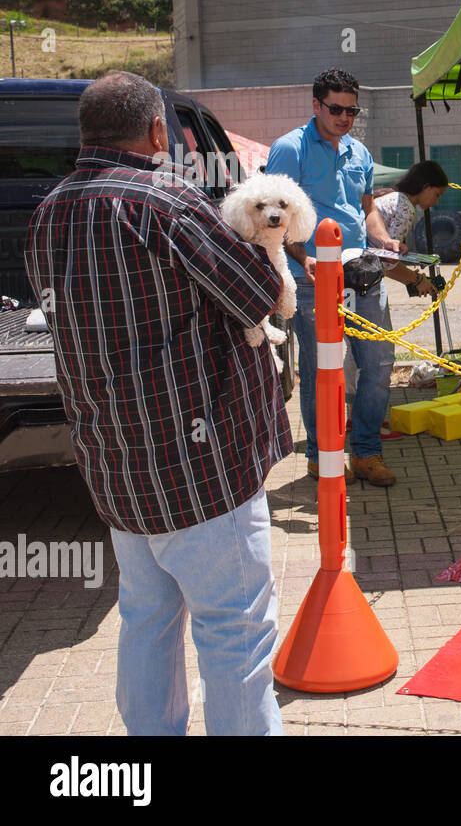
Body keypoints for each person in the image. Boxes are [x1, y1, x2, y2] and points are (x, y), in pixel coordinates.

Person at [24, 71, 289, 735]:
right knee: (236, 634)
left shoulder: (48, 212)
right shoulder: (166, 201)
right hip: (201, 475)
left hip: (116, 472)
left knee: (146, 621)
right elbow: (258, 293)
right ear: (155, 132)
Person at [266, 67, 395, 487]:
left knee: (377, 364)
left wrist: (386, 241)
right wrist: (302, 257)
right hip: (311, 277)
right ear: (316, 105)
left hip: (362, 273)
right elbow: (276, 216)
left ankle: (366, 453)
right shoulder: (289, 149)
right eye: (336, 109)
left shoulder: (360, 152)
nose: (344, 117)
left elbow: (367, 208)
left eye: (351, 110)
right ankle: (323, 456)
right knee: (323, 369)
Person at [367, 159, 450, 298]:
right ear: (426, 186)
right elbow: (387, 261)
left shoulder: (391, 196)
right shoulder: (405, 208)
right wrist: (418, 280)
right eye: (437, 195)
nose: (436, 202)